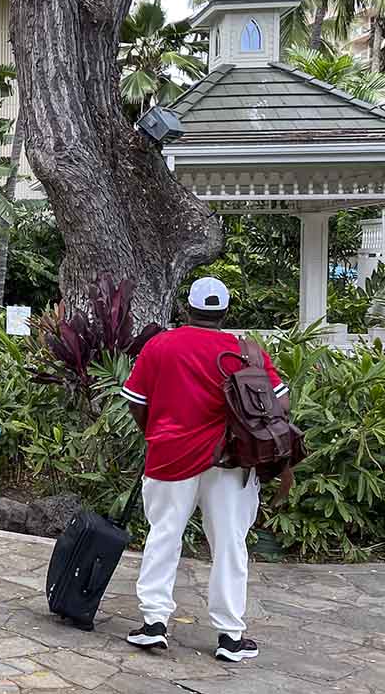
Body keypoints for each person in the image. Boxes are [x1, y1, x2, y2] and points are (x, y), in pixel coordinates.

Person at [124, 277, 291, 664]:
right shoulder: (244, 352)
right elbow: (281, 405)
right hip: (230, 462)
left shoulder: (160, 345)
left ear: (188, 307)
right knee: (230, 545)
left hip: (169, 457)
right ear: (224, 312)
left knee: (164, 535)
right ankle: (230, 636)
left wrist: (155, 432)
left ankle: (153, 625)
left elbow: (135, 400)